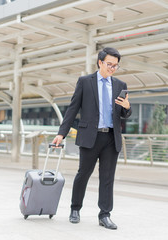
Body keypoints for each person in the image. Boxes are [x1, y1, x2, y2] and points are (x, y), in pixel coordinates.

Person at [52, 47, 131, 230]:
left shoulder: (120, 85)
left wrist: (127, 107)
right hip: (90, 136)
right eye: (109, 64)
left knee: (107, 178)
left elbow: (124, 114)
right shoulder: (85, 82)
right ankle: (75, 209)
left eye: (115, 66)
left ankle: (104, 215)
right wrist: (61, 134)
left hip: (111, 137)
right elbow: (72, 109)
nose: (112, 68)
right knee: (83, 174)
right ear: (100, 62)